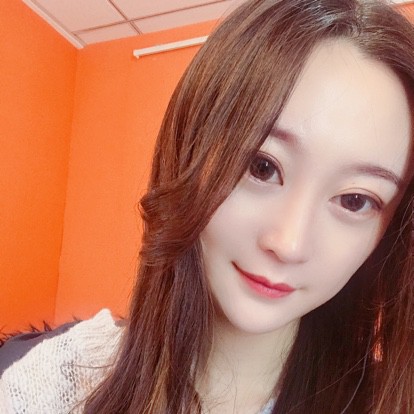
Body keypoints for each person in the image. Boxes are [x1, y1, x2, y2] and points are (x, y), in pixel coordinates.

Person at [1, 0, 413, 413]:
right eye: (261, 167)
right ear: (189, 152)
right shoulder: (53, 385)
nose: (288, 244)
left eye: (355, 200)